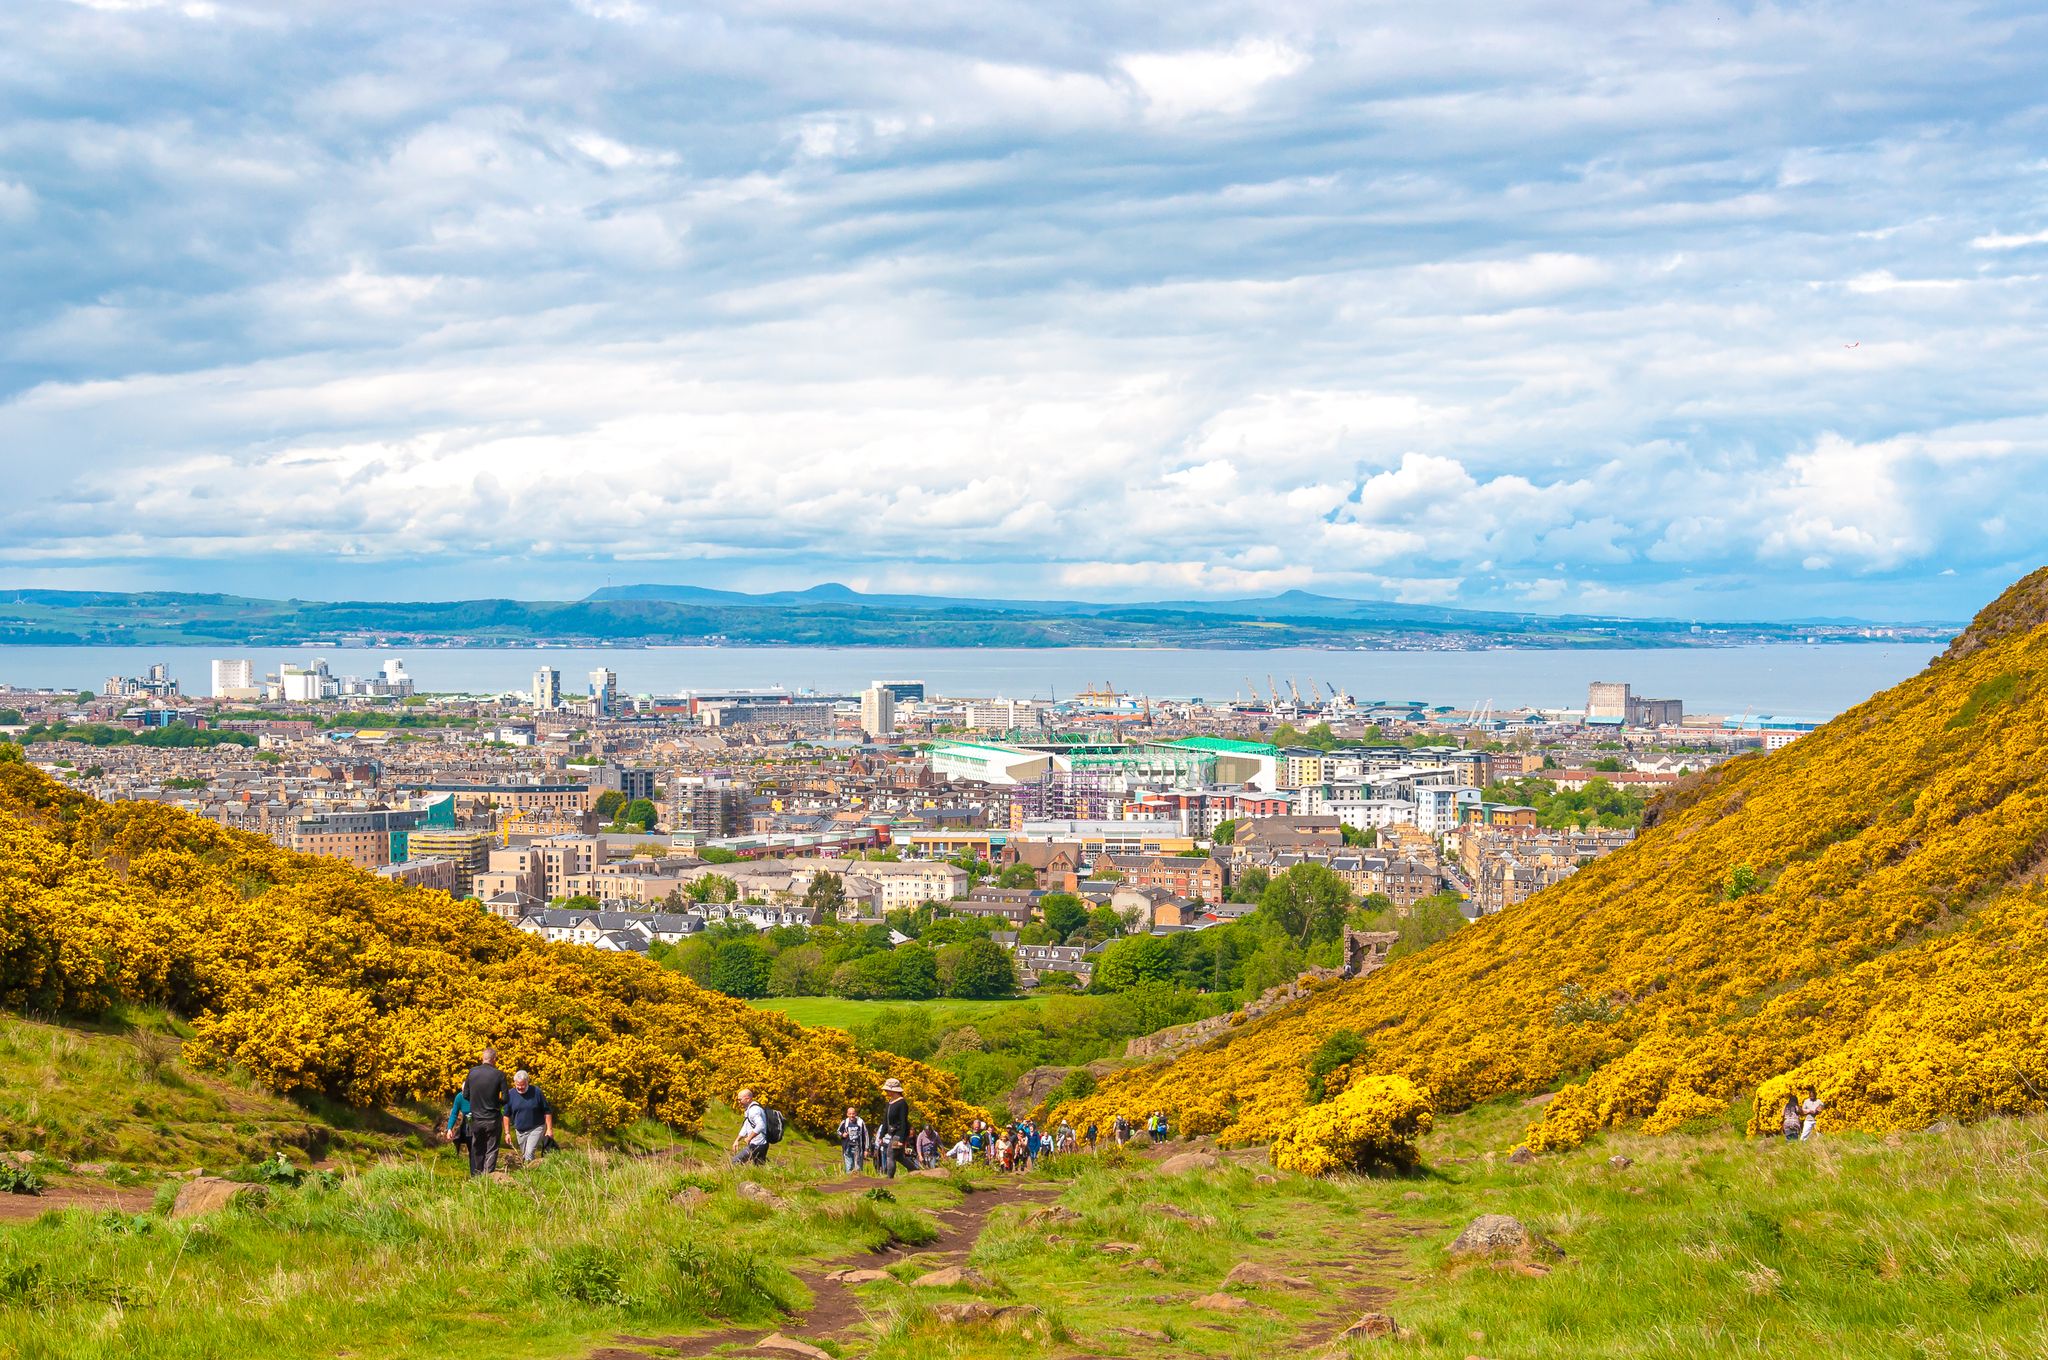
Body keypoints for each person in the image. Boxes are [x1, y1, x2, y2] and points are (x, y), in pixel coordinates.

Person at [460, 1047, 510, 1176]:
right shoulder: (499, 1074)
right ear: (494, 1059)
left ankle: (477, 1175)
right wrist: (495, 1103)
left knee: (477, 1147)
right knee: (491, 1148)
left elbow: (465, 1095)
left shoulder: (472, 1072)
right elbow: (505, 1098)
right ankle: (488, 1176)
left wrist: (476, 1102)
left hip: (476, 1118)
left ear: (483, 1058)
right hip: (492, 1118)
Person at [505, 1069, 555, 1165]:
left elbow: (547, 1111)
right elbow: (506, 1115)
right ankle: (533, 1171)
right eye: (517, 1086)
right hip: (520, 1130)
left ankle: (530, 1174)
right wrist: (507, 1133)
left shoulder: (536, 1092)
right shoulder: (510, 1094)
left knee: (529, 1153)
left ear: (527, 1082)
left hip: (536, 1127)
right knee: (525, 1154)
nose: (520, 1088)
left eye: (522, 1086)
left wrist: (549, 1129)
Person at [877, 1077, 912, 1179]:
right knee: (899, 1157)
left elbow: (903, 1122)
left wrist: (901, 1139)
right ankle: (915, 1170)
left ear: (893, 1090)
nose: (885, 1091)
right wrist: (881, 1135)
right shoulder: (889, 1102)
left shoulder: (902, 1103)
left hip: (898, 1134)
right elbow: (885, 1121)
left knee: (890, 1154)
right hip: (892, 1133)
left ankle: (889, 1179)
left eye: (887, 1089)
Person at [731, 1087, 769, 1166]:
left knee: (736, 1161)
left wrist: (749, 1137)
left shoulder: (754, 1110)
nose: (738, 1102)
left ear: (747, 1099)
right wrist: (737, 1140)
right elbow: (746, 1126)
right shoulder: (749, 1110)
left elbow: (761, 1125)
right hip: (756, 1144)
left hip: (759, 1144)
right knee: (759, 1167)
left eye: (740, 1099)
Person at [837, 1106, 868, 1175]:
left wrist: (866, 1149)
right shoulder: (844, 1122)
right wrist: (843, 1134)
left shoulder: (860, 1122)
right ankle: (848, 1182)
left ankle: (858, 1182)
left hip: (858, 1147)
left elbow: (866, 1135)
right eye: (850, 1114)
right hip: (847, 1147)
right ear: (847, 1114)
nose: (851, 1115)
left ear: (856, 1114)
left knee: (858, 1168)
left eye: (853, 1114)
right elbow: (838, 1131)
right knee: (849, 1167)